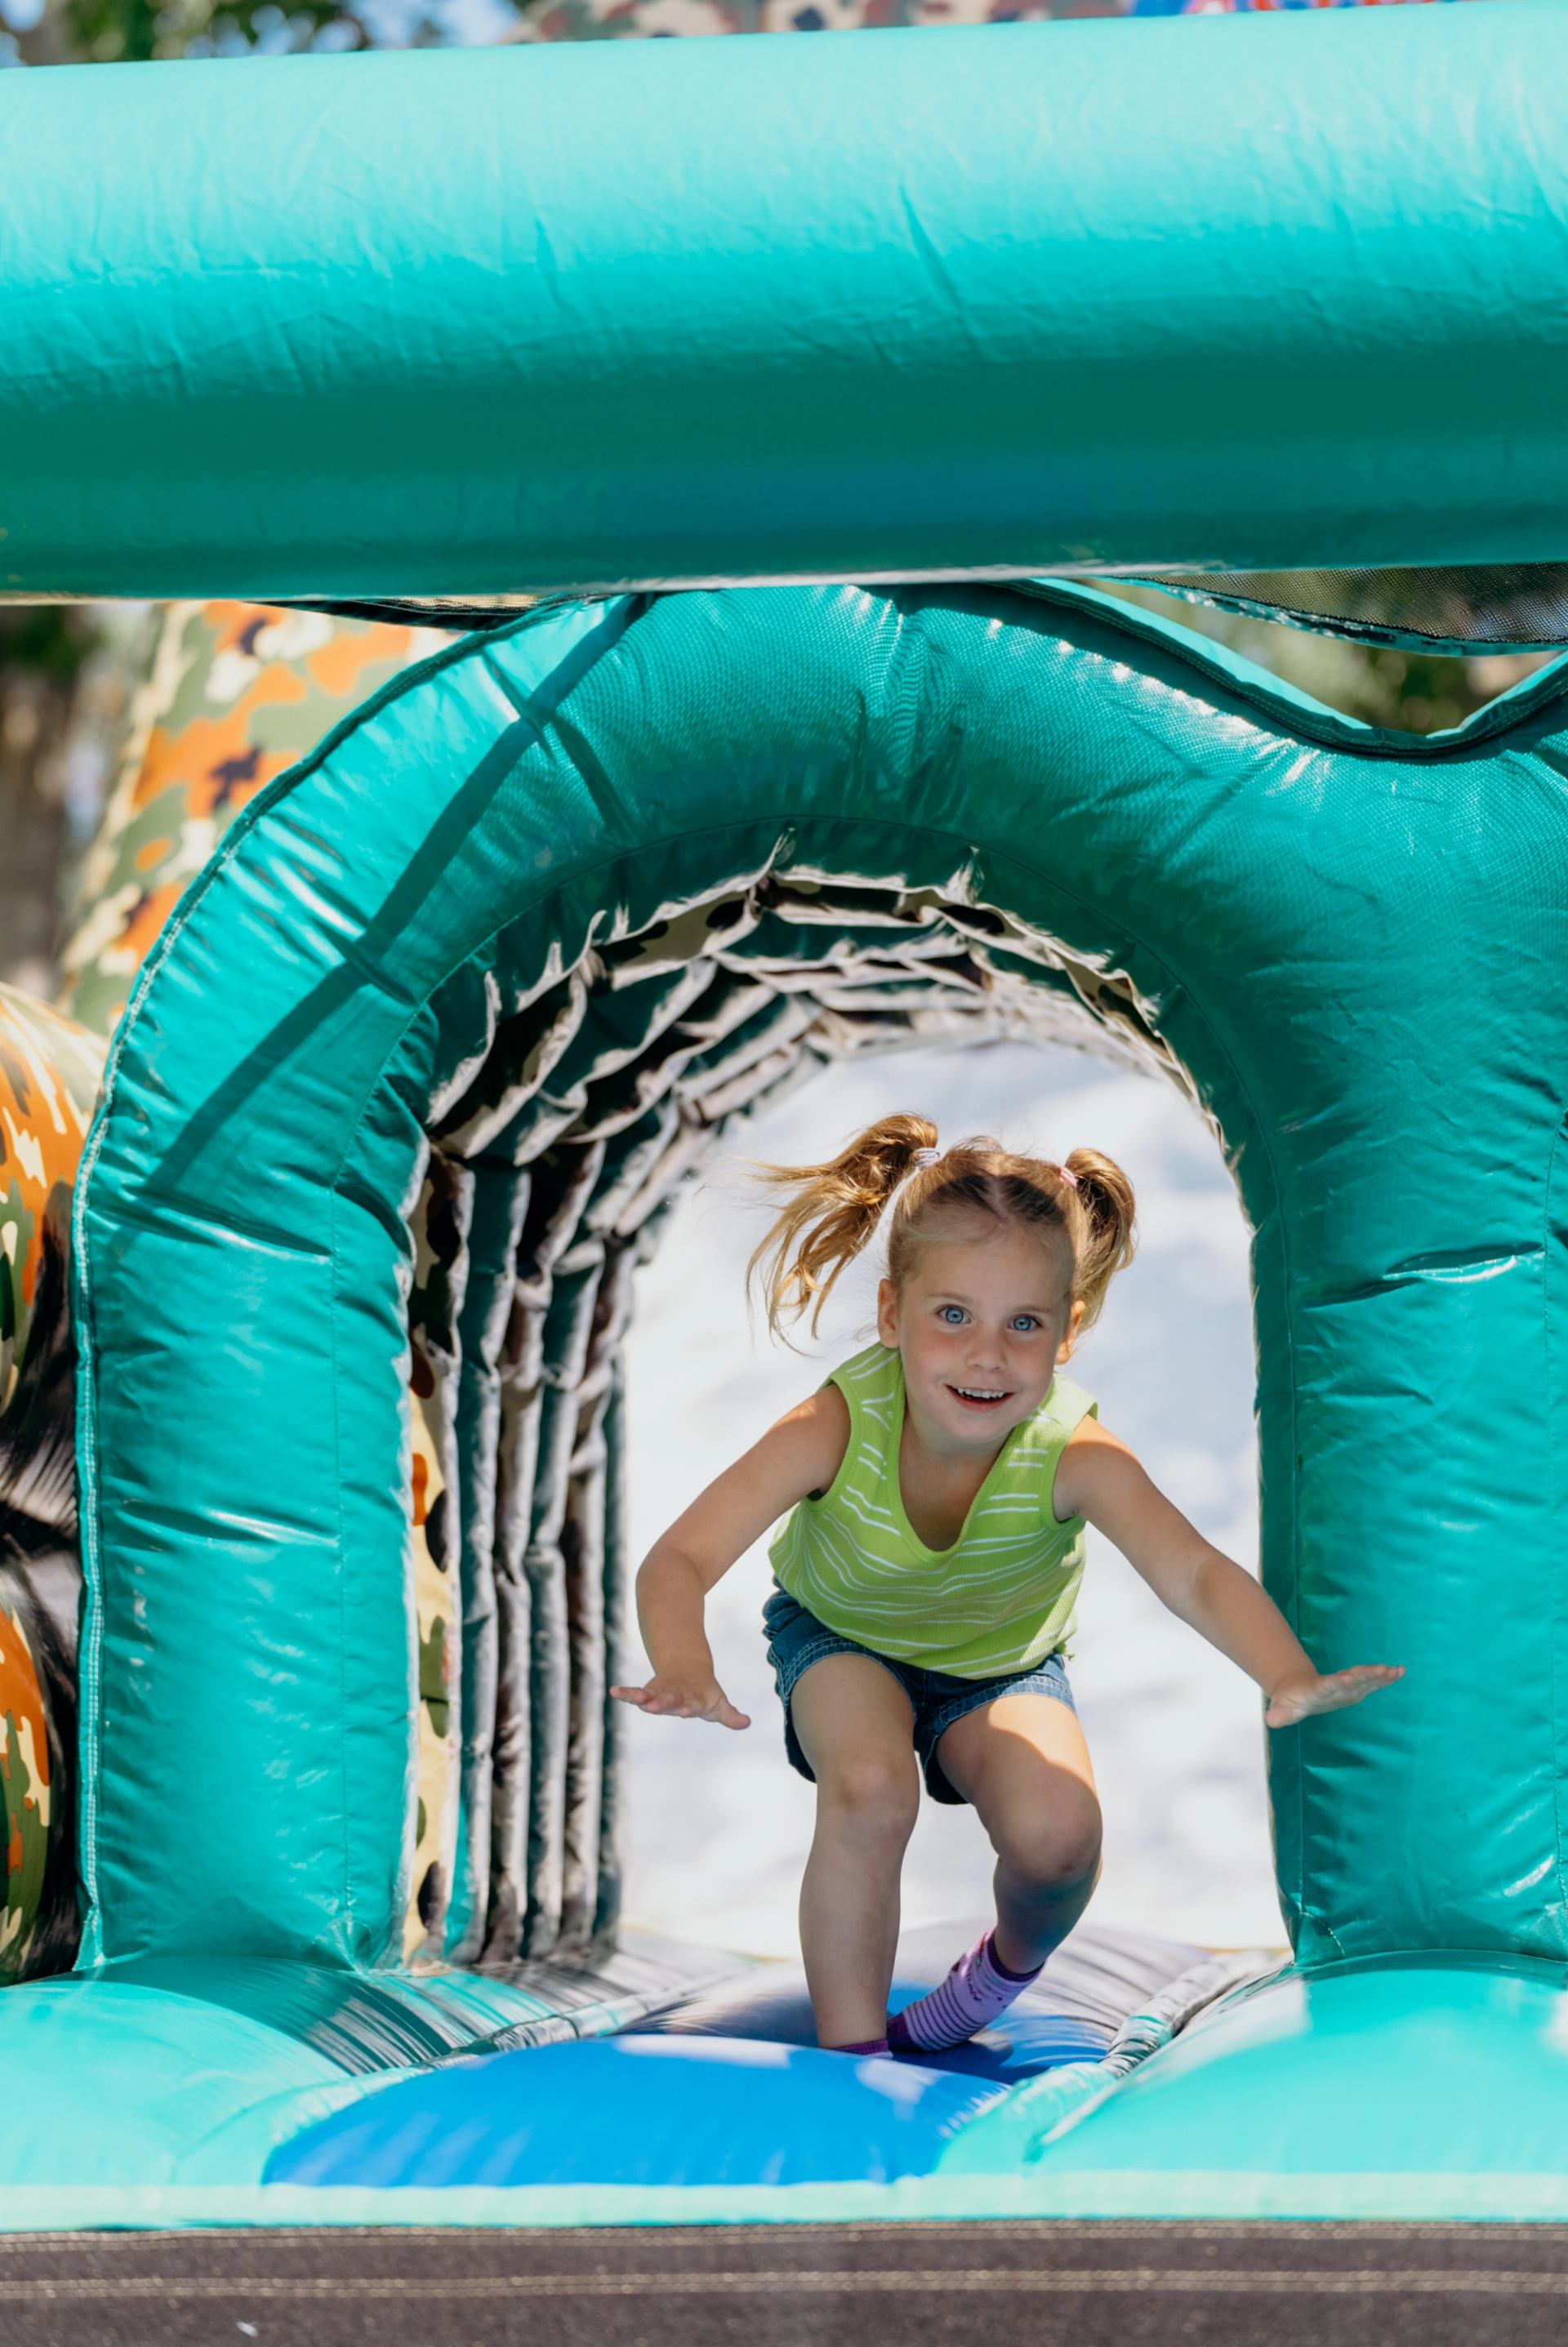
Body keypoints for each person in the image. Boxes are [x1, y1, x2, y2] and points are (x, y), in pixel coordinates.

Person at [611, 1116, 1402, 2059]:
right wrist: (684, 1660)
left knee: (1061, 1840)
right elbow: (683, 1557)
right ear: (891, 1311)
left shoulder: (1074, 1452)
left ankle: (992, 1978)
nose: (986, 1356)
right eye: (952, 1316)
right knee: (870, 1788)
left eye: (1023, 1324)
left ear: (1066, 1333)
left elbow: (1190, 1569)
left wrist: (1285, 1675)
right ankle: (853, 2058)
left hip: (1001, 1671)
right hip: (843, 1639)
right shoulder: (836, 1422)